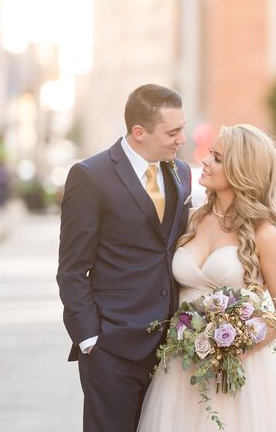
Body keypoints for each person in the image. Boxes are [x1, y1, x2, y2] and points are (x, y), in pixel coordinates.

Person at [137, 124, 276, 432]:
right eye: (210, 153)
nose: (206, 161)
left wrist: (242, 343)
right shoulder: (191, 218)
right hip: (183, 366)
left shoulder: (264, 235)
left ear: (242, 170)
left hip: (243, 368)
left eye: (218, 158)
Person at [56, 84, 192, 432]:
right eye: (173, 132)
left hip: (171, 348)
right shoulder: (91, 176)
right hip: (112, 348)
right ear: (139, 132)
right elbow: (72, 269)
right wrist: (90, 340)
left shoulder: (181, 173)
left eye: (182, 129)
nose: (182, 139)